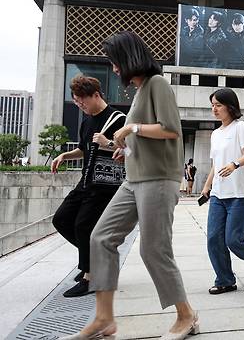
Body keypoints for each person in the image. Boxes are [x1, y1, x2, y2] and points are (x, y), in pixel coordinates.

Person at [62, 31, 198, 340]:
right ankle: (104, 319)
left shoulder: (157, 84)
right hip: (134, 178)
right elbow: (144, 137)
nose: (113, 69)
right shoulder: (139, 92)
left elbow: (170, 130)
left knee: (154, 250)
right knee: (101, 238)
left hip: (158, 179)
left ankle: (186, 316)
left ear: (128, 58)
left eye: (114, 62)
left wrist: (130, 128)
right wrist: (126, 149)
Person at [51, 75, 126, 298]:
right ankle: (95, 260)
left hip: (106, 185)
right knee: (62, 219)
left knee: (84, 226)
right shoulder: (87, 121)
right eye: (76, 102)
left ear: (96, 95)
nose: (80, 105)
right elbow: (84, 149)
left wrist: (108, 143)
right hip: (85, 182)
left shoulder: (118, 119)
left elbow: (129, 152)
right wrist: (65, 155)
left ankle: (90, 276)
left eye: (82, 101)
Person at [200, 88, 244, 295]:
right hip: (218, 195)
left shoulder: (241, 127)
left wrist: (234, 165)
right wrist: (207, 185)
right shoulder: (215, 133)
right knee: (213, 238)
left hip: (240, 194)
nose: (214, 109)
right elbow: (215, 163)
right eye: (212, 105)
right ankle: (225, 280)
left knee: (234, 239)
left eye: (218, 105)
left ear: (230, 107)